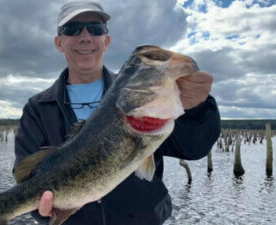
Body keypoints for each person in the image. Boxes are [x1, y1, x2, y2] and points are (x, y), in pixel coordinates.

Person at [14, 1, 221, 225]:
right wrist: (44, 213)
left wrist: (196, 109)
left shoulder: (151, 102)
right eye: (72, 30)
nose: (85, 37)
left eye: (95, 29)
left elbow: (193, 148)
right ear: (59, 43)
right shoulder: (37, 109)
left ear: (107, 41)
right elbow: (28, 180)